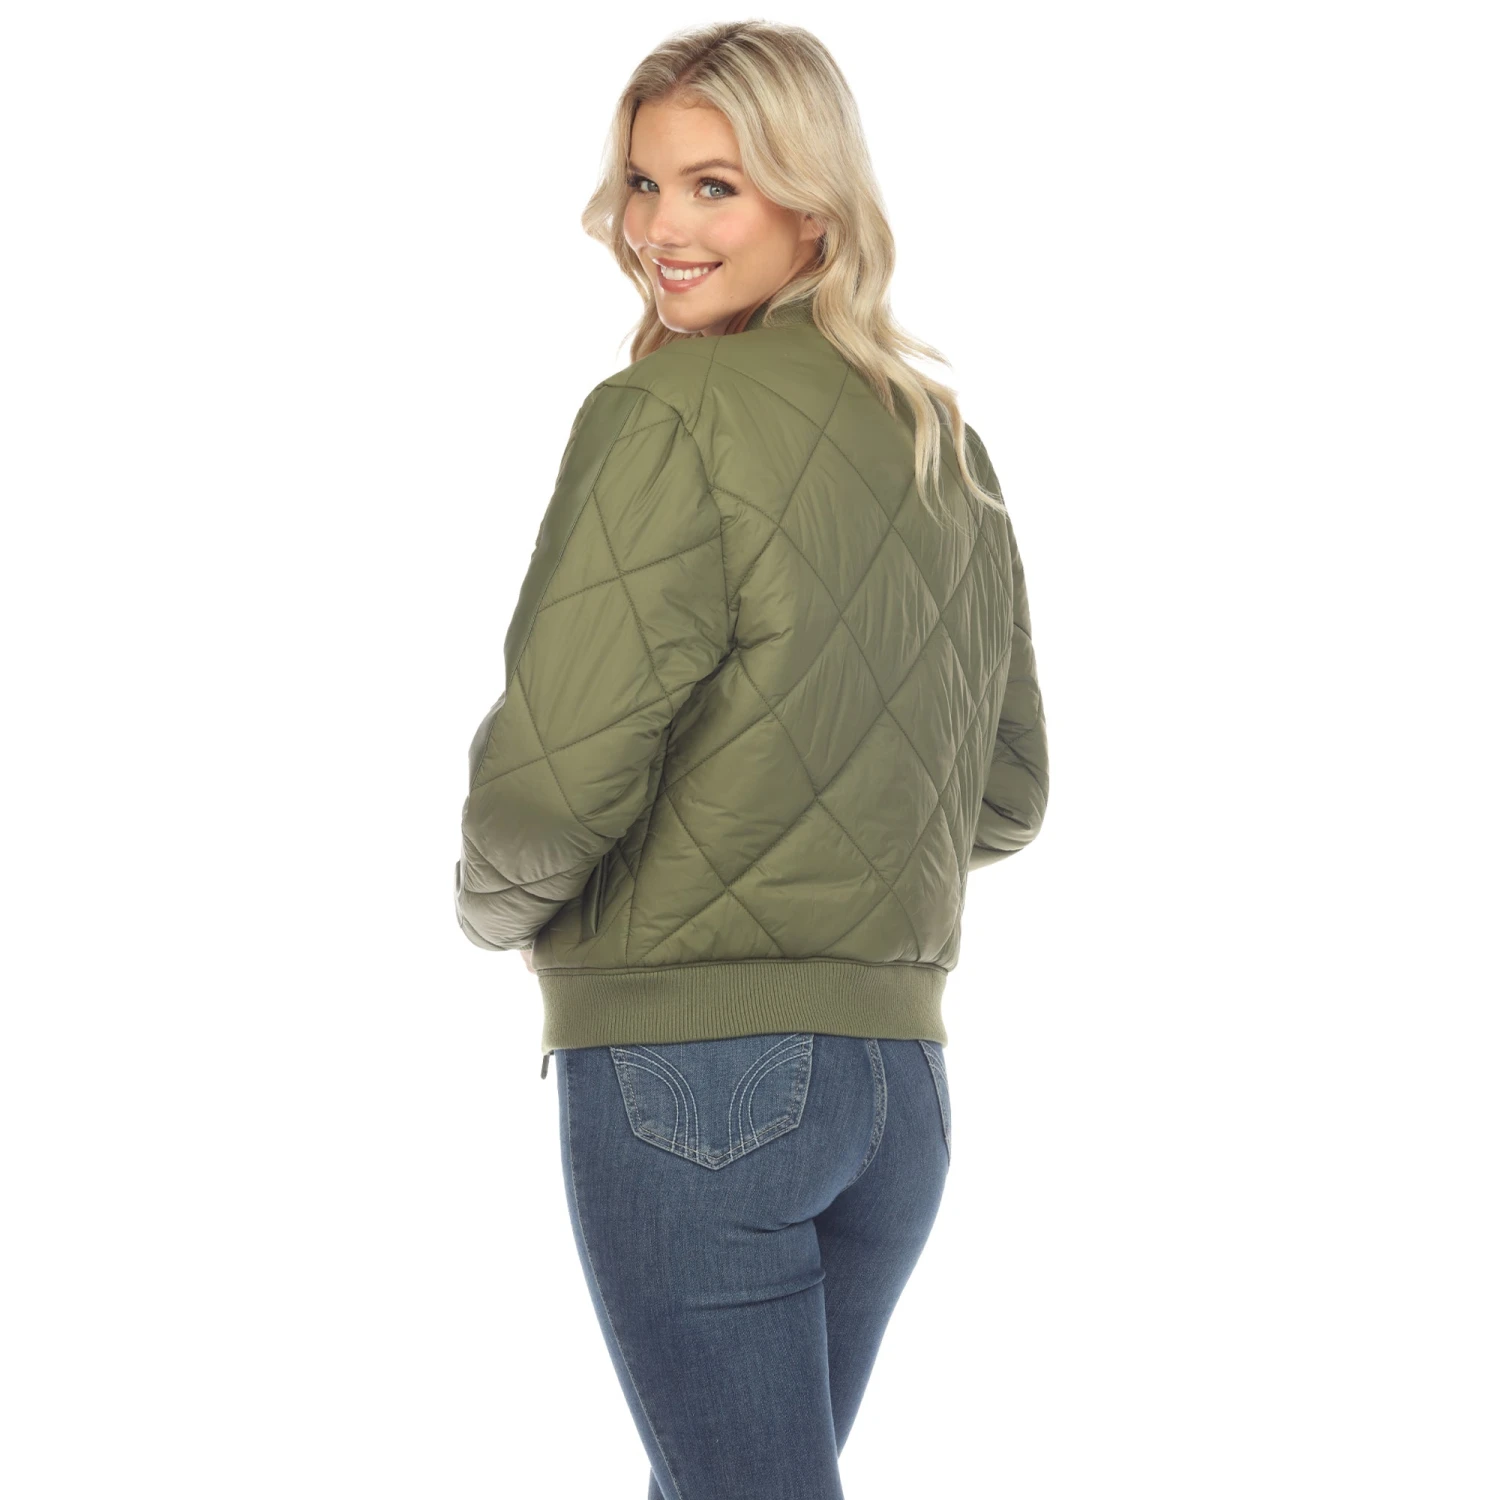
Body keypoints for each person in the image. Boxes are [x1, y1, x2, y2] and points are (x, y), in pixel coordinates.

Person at [454, 21, 1048, 1499]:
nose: (661, 226)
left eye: (714, 185)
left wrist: (492, 909)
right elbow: (1008, 792)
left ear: (816, 205)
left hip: (695, 1082)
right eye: (644, 184)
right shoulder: (941, 442)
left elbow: (547, 786)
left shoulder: (662, 415)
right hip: (898, 1092)